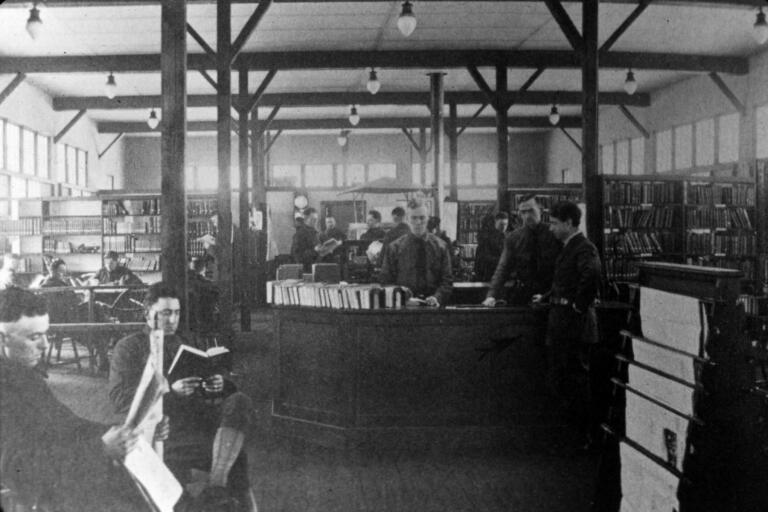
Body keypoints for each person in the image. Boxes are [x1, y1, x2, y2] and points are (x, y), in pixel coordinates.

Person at [0, 287, 157, 511]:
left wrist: (124, 432)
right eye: (34, 337)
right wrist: (100, 448)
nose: (45, 345)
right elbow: (19, 468)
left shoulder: (22, 373)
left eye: (45, 333)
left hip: (57, 475)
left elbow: (67, 424)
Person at [109, 282, 254, 509]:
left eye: (176, 313)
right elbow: (119, 399)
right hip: (163, 428)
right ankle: (222, 490)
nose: (173, 319)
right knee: (235, 457)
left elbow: (206, 378)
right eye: (165, 313)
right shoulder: (128, 347)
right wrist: (170, 392)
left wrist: (217, 384)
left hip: (197, 419)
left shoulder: (186, 341)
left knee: (239, 401)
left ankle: (216, 484)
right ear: (147, 314)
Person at [532, 201, 601, 442]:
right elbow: (566, 282)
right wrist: (546, 297)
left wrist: (578, 306)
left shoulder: (584, 247)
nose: (551, 228)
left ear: (569, 223)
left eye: (554, 223)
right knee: (564, 381)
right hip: (564, 326)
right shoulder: (571, 247)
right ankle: (572, 436)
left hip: (574, 327)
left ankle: (581, 438)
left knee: (575, 383)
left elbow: (591, 276)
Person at [482, 195, 561, 307]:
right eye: (523, 212)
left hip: (550, 296)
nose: (527, 216)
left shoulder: (555, 235)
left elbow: (563, 271)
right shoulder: (514, 238)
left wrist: (548, 295)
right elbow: (503, 268)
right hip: (524, 295)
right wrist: (491, 295)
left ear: (541, 210)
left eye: (531, 211)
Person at [379, 200, 453, 307]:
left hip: (434, 308)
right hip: (403, 308)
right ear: (407, 219)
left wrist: (437, 297)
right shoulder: (394, 248)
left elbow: (447, 281)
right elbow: (385, 281)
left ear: (428, 219)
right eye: (414, 218)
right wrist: (403, 297)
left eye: (422, 218)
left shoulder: (441, 247)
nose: (418, 222)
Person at [474, 212, 509, 282]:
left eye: (505, 224)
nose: (503, 227)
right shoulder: (487, 238)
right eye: (501, 224)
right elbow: (484, 257)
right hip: (489, 273)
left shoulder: (507, 237)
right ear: (495, 223)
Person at [290, 208, 320, 272]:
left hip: (316, 267)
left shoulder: (315, 233)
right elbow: (297, 256)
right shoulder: (299, 234)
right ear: (306, 219)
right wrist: (314, 250)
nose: (315, 221)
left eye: (316, 219)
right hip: (306, 269)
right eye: (313, 219)